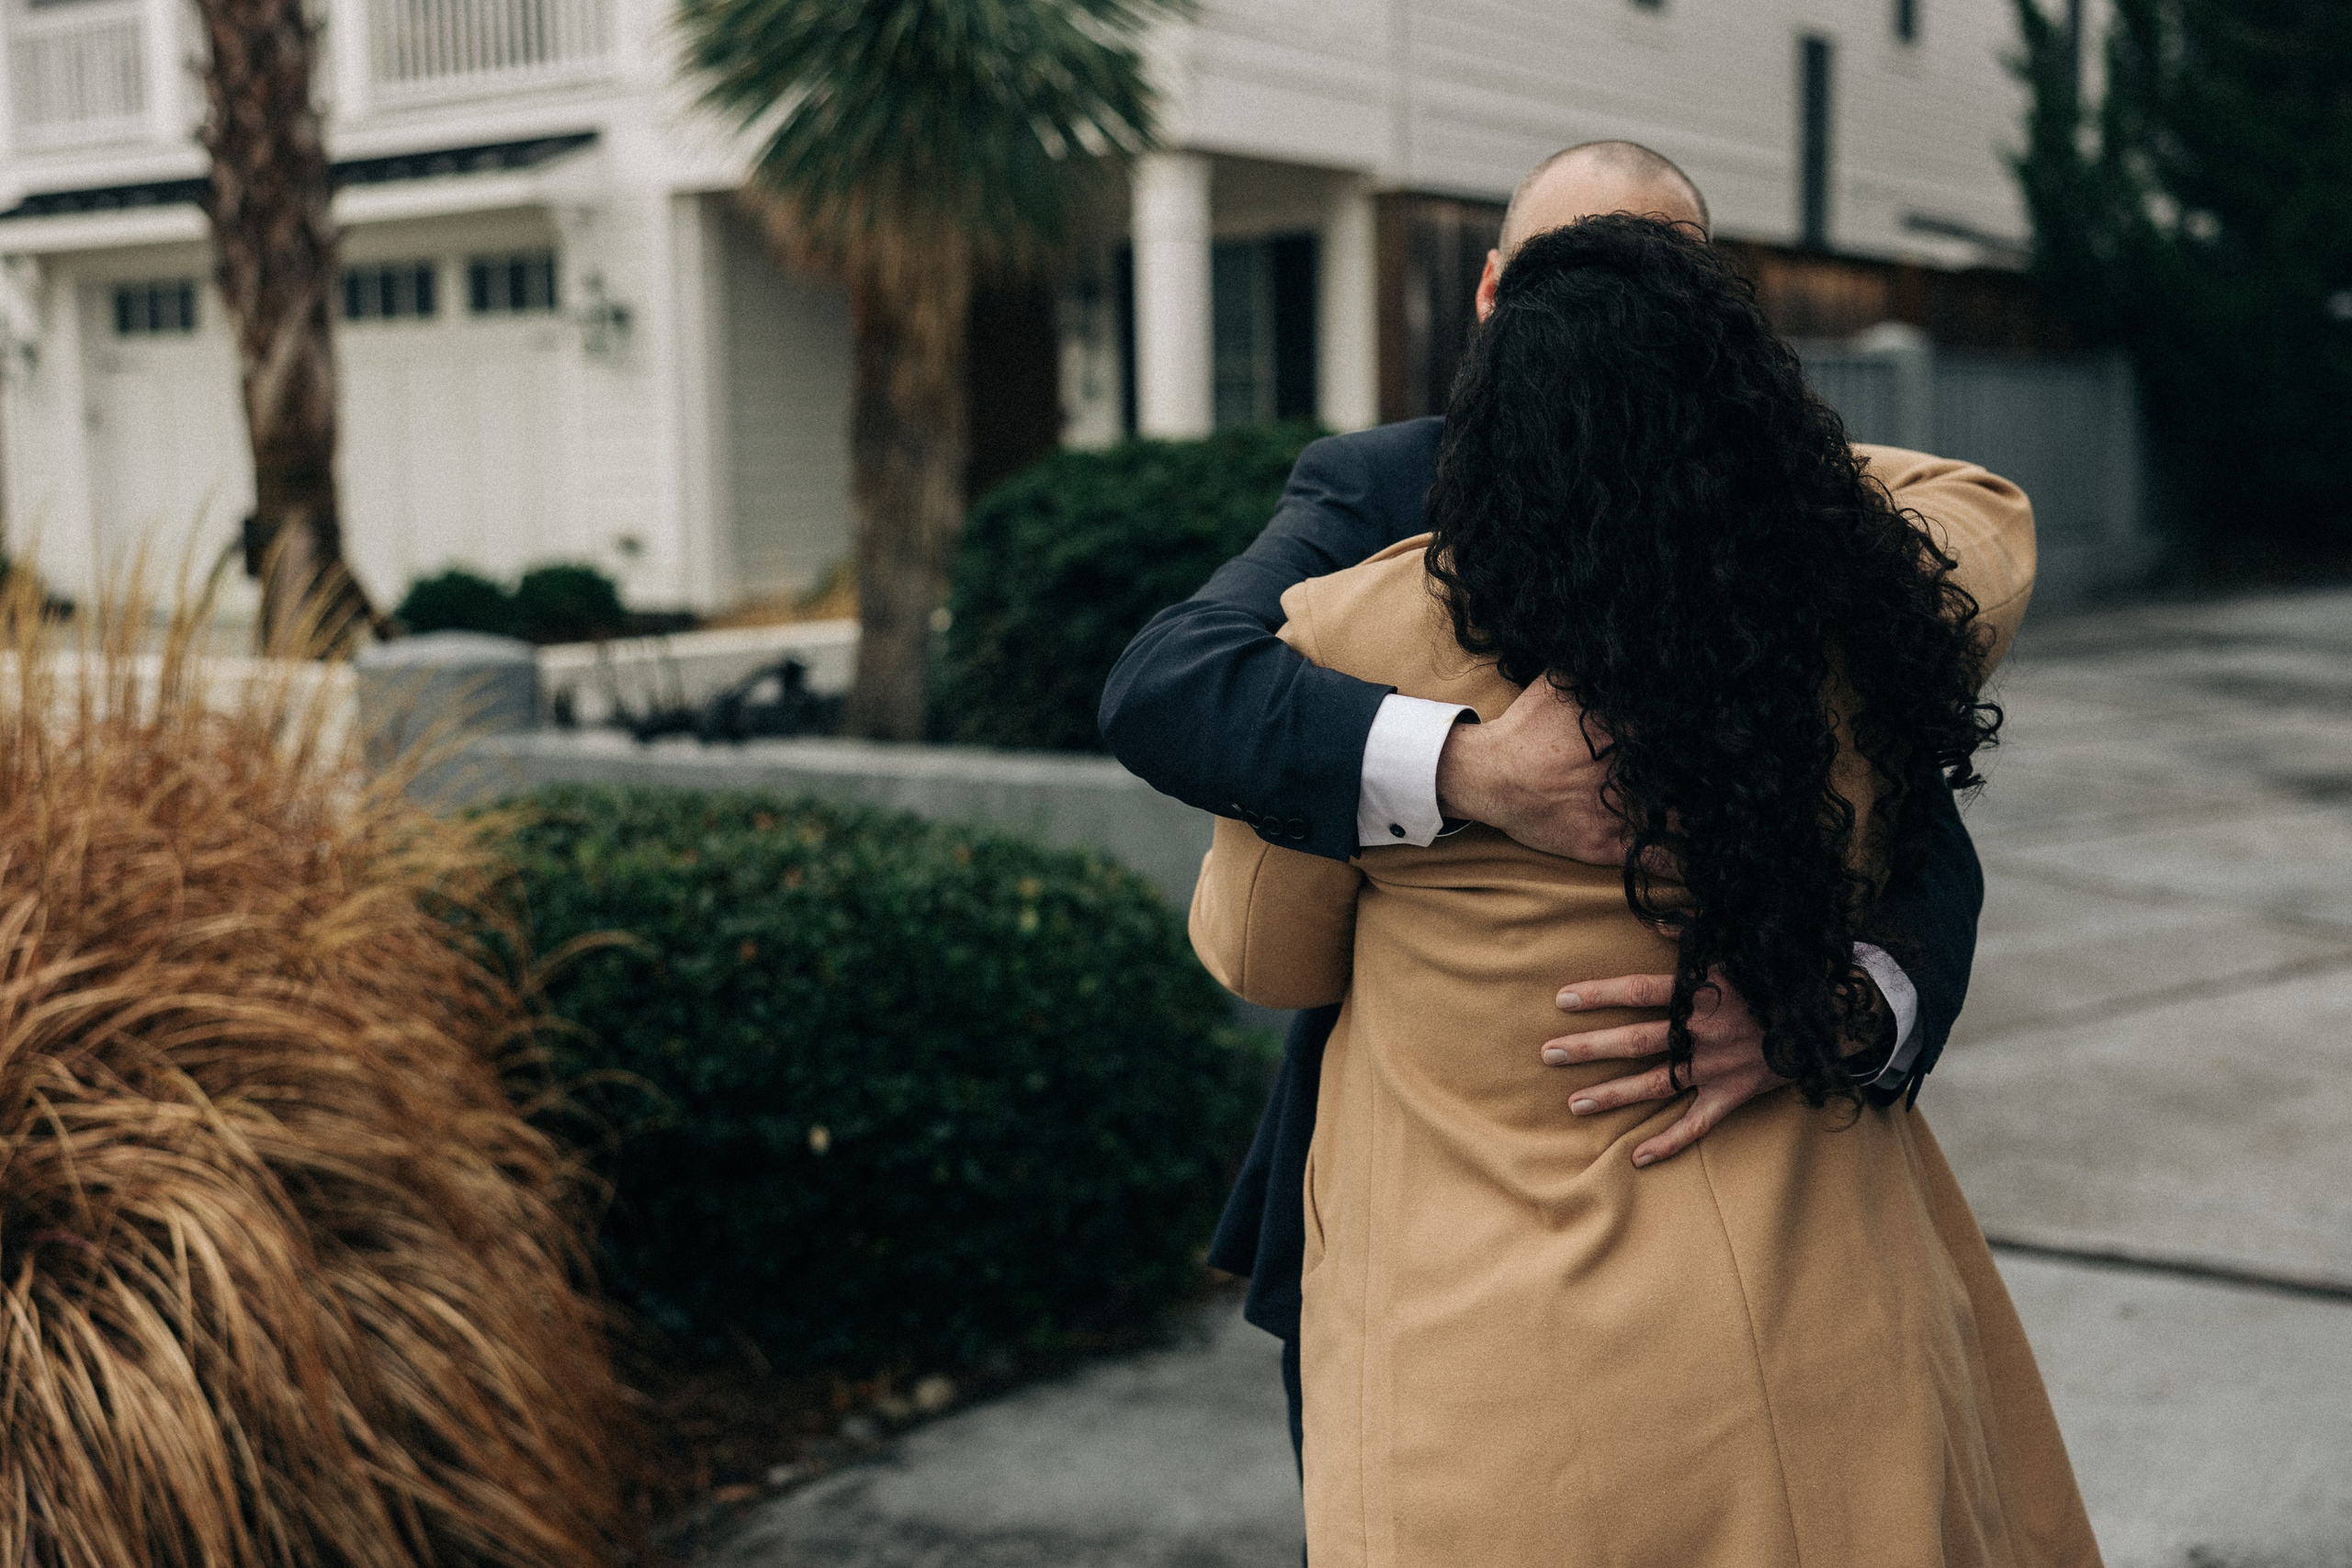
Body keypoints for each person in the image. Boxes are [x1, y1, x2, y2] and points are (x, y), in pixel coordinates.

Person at [1186, 213, 2098, 1565]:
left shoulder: (1350, 638)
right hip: (1818, 1334)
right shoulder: (1854, 605)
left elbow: (1265, 959)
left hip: (1488, 1391)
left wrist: (1445, 775)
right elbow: (1984, 511)